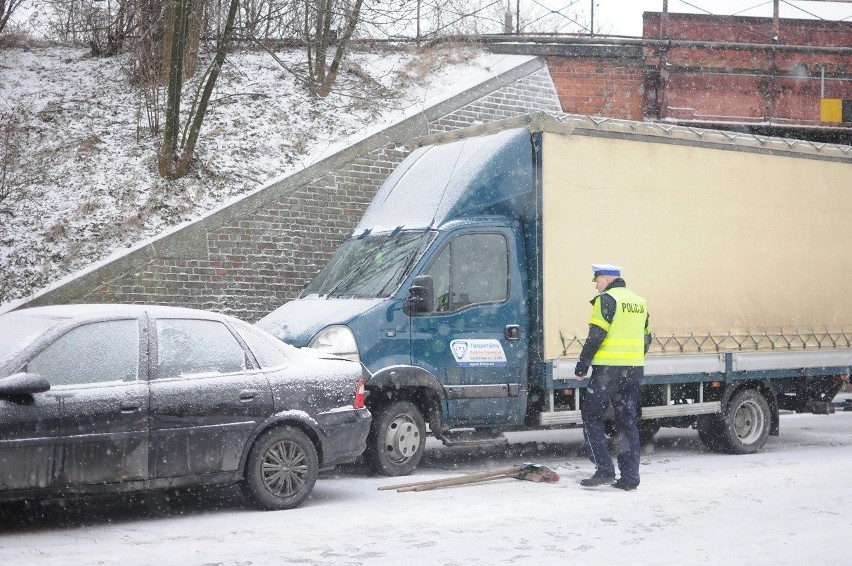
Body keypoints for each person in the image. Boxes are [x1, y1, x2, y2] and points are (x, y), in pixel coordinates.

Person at [574, 264, 651, 491]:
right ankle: (630, 478)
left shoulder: (606, 300)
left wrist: (582, 366)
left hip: (607, 371)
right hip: (633, 371)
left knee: (591, 415)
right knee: (626, 421)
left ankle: (604, 470)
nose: (596, 284)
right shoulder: (639, 302)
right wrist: (632, 359)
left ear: (607, 279)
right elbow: (647, 338)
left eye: (596, 279)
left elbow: (596, 336)